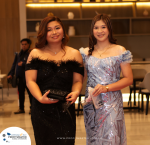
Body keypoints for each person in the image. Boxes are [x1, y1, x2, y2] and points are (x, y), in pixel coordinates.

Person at [25, 16, 84, 145]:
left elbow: (77, 81)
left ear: (63, 30)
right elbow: (30, 81)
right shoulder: (35, 53)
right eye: (49, 29)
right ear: (43, 34)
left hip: (65, 108)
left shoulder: (75, 54)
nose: (54, 32)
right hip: (41, 110)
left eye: (57, 28)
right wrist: (40, 98)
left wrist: (76, 93)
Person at [79, 14, 133, 145]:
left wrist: (106, 88)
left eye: (103, 27)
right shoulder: (86, 53)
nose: (100, 31)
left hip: (112, 104)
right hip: (92, 104)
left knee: (112, 137)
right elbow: (81, 78)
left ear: (109, 29)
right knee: (94, 138)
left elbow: (128, 79)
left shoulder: (120, 50)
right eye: (96, 27)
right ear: (92, 31)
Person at [7, 38, 33, 114]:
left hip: (28, 78)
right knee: (21, 94)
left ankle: (32, 109)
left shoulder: (31, 53)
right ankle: (21, 109)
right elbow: (14, 64)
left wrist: (23, 64)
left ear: (28, 45)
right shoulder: (18, 54)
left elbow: (33, 64)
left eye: (25, 44)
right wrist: (11, 74)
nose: (24, 46)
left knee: (30, 94)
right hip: (20, 77)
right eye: (22, 44)